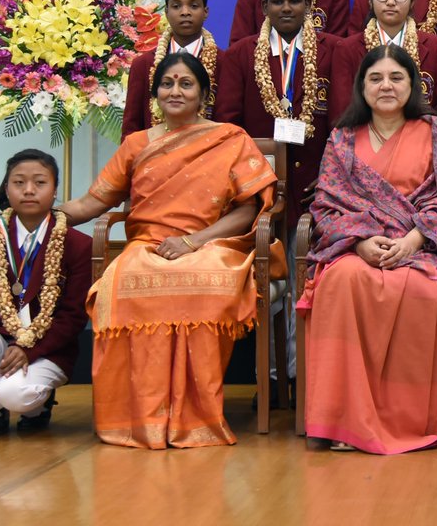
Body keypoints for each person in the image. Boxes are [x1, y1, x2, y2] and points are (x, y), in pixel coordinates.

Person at [61, 52, 279, 448]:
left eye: (186, 84)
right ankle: (140, 417)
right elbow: (91, 204)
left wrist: (194, 242)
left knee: (207, 283)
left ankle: (195, 416)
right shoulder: (136, 144)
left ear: (203, 94)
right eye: (167, 83)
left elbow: (250, 209)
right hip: (148, 244)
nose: (175, 91)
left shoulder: (230, 138)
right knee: (123, 283)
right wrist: (41, 214)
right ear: (154, 93)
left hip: (211, 242)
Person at [298, 45, 437, 454]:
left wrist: (413, 240)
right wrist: (359, 242)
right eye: (375, 78)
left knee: (421, 292)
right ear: (362, 86)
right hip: (356, 248)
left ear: (413, 85)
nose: (386, 86)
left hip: (418, 247)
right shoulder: (341, 138)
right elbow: (326, 202)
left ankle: (403, 422)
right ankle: (343, 423)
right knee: (340, 282)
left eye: (396, 78)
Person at [216, 0, 336, 393]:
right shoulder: (241, 54)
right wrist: (252, 182)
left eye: (295, 1)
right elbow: (228, 126)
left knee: (309, 278)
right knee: (266, 280)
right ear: (264, 6)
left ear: (309, 6)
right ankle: (268, 379)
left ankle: (305, 376)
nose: (287, 8)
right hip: (259, 191)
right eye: (279, 1)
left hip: (316, 189)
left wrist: (328, 177)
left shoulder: (331, 51)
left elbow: (341, 123)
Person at [0, 149, 92, 438]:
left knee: (16, 395)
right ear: (7, 189)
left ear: (54, 191)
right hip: (0, 340)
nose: (29, 190)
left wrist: (30, 350)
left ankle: (34, 407)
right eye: (19, 183)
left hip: (49, 348)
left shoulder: (77, 244)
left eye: (40, 183)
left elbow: (73, 317)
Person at [331, 0, 437, 132]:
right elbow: (342, 114)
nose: (391, 2)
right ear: (370, 0)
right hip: (364, 150)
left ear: (413, 1)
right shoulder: (346, 49)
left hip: (422, 150)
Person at [122, 0, 220, 140]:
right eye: (176, 6)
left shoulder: (224, 62)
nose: (185, 12)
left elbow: (229, 122)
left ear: (205, 12)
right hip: (153, 159)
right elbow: (131, 128)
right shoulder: (143, 64)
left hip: (211, 157)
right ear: (166, 12)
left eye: (193, 6)